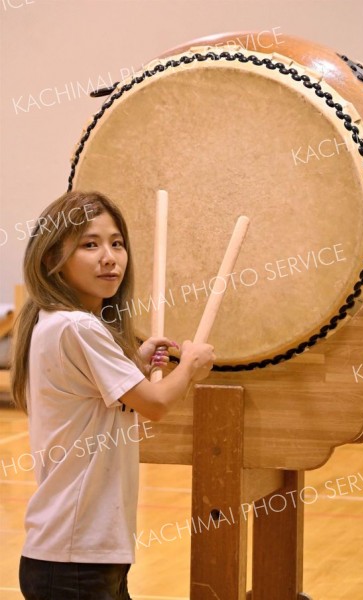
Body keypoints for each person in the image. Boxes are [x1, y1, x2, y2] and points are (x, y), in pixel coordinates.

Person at [11, 190, 215, 600]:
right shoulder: (78, 327)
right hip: (75, 556)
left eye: (116, 243)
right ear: (52, 259)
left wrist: (135, 364)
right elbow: (155, 404)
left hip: (75, 553)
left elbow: (96, 398)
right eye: (90, 244)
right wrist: (191, 365)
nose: (110, 257)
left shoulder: (56, 323)